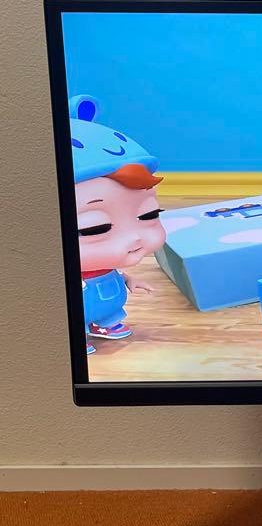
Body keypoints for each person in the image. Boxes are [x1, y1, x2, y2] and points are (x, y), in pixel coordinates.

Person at [70, 96, 166, 354]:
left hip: (108, 299)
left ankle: (107, 323)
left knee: (107, 309)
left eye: (149, 214)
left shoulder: (108, 263)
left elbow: (118, 274)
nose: (134, 238)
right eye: (96, 227)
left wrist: (129, 280)